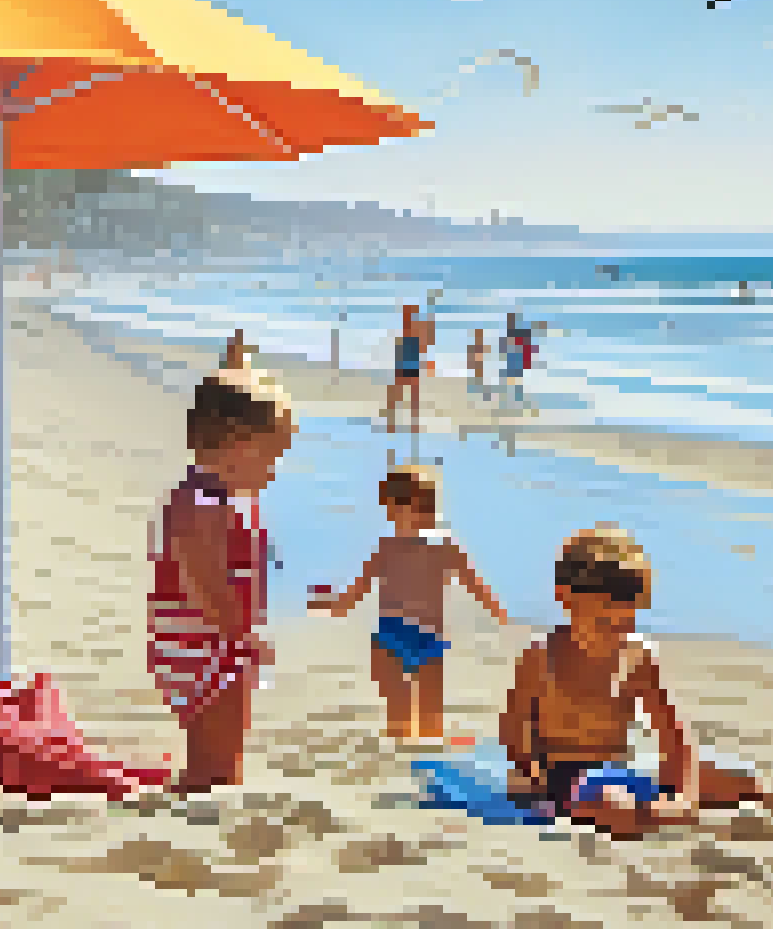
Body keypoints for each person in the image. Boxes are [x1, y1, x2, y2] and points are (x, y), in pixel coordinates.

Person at [497, 523, 773, 838]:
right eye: (604, 620)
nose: (616, 631)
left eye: (627, 620)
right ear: (564, 598)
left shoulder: (638, 656)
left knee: (742, 779)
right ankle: (661, 818)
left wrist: (684, 796)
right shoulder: (542, 657)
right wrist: (534, 784)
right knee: (610, 805)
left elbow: (674, 736)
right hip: (563, 778)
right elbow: (513, 731)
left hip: (620, 769)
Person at [149, 331, 297, 793]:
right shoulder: (201, 504)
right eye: (269, 458)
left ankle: (206, 785)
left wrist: (239, 364)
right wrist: (243, 634)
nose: (273, 472)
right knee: (216, 745)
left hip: (216, 641)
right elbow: (203, 581)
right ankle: (199, 790)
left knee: (225, 738)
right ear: (234, 445)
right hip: (202, 646)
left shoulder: (225, 494)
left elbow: (227, 402)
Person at [314, 465, 509, 744]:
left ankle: (430, 759)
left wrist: (500, 613)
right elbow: (352, 597)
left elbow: (475, 585)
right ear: (390, 510)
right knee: (399, 710)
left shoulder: (446, 547)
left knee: (430, 713)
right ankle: (400, 756)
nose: (425, 514)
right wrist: (326, 604)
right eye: (415, 506)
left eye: (429, 507)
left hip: (430, 639)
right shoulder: (386, 548)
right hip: (389, 638)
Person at [383, 304, 432, 432]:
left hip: (411, 363)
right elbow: (424, 343)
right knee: (399, 393)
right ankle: (393, 421)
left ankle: (411, 423)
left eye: (409, 313)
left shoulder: (418, 329)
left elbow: (425, 343)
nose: (407, 316)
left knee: (411, 395)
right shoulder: (411, 330)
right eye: (407, 313)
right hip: (404, 362)